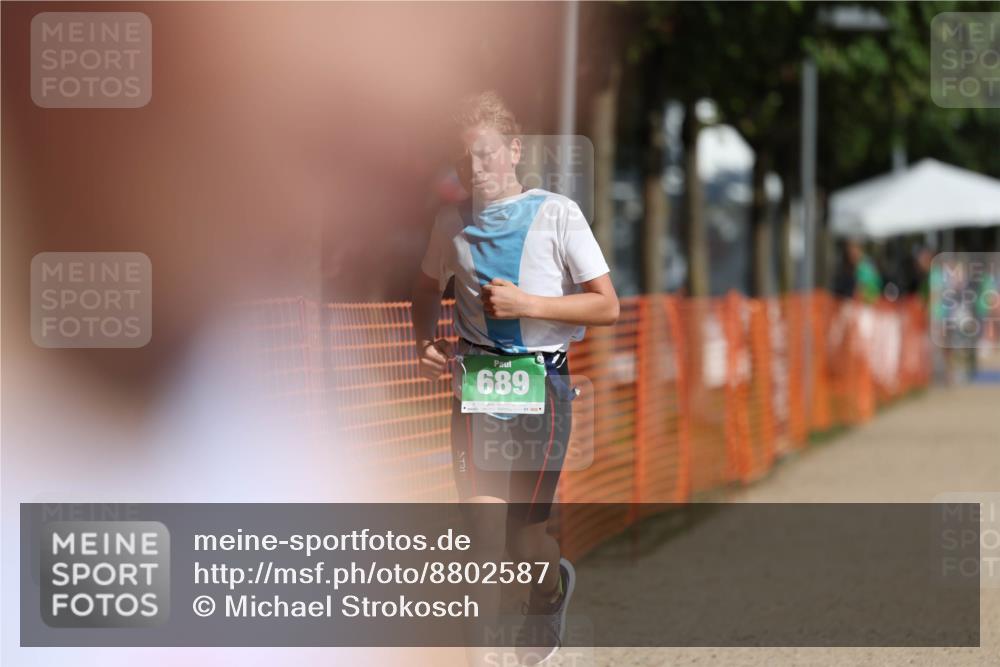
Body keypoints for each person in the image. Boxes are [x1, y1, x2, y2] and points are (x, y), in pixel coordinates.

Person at [411, 91, 618, 665]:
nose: (474, 169)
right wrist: (424, 339)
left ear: (514, 150)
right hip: (475, 388)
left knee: (526, 542)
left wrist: (529, 302)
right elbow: (426, 290)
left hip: (542, 389)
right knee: (481, 534)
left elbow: (607, 307)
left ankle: (548, 596)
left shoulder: (557, 214)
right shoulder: (449, 223)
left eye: (484, 155)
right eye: (461, 160)